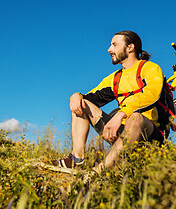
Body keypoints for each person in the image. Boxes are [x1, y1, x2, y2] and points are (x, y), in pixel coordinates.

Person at [51, 31, 166, 174]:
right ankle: (77, 160)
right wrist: (76, 95)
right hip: (121, 133)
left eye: (114, 45)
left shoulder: (150, 68)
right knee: (81, 103)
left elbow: (152, 94)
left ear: (130, 47)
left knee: (135, 118)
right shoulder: (115, 78)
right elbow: (91, 98)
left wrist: (122, 114)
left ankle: (99, 172)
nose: (109, 49)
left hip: (149, 135)